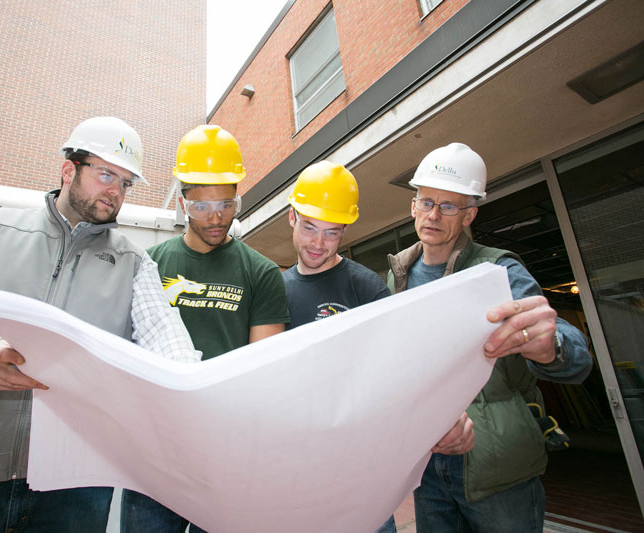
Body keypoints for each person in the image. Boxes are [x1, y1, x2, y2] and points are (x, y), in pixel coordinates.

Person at [0, 116, 200, 532]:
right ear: (69, 169)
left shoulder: (134, 263)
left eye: (125, 182)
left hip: (76, 491)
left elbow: (169, 346)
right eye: (106, 174)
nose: (116, 190)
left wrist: (197, 390)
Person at [387, 143, 593, 532]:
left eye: (449, 206)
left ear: (469, 215)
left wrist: (554, 347)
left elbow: (575, 355)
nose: (434, 214)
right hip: (427, 467)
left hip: (497, 469)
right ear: (413, 206)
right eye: (427, 202)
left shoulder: (498, 269)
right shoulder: (396, 277)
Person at [282, 160, 475, 533]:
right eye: (309, 228)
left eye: (332, 233)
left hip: (361, 471)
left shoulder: (366, 287)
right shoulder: (276, 291)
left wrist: (444, 412)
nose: (318, 244)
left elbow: (401, 365)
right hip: (300, 465)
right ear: (292, 218)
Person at [120, 124, 291, 532]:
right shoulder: (149, 265)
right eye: (202, 207)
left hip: (227, 453)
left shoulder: (261, 273)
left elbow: (260, 368)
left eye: (227, 205)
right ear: (182, 203)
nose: (217, 218)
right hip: (156, 455)